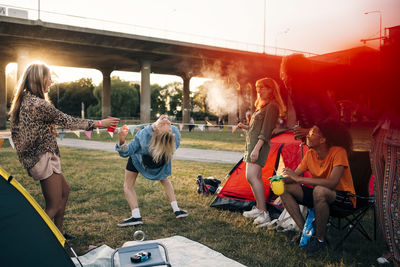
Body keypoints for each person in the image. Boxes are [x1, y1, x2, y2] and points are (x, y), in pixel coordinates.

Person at [9, 61, 119, 238]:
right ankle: (33, 238)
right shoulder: (38, 105)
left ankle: (58, 233)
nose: (51, 81)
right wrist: (100, 123)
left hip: (41, 157)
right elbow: (68, 121)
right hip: (42, 158)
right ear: (40, 79)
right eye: (49, 77)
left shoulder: (25, 101)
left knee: (64, 191)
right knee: (53, 205)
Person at [280, 119, 355, 253]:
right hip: (319, 197)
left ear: (322, 140)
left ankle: (319, 240)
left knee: (319, 191)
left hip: (344, 199)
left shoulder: (339, 152)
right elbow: (294, 176)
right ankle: (305, 232)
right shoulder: (310, 154)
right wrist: (279, 180)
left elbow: (332, 182)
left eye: (312, 132)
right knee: (285, 188)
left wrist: (298, 178)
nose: (307, 135)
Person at [115, 115, 188, 227]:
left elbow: (127, 151)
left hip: (139, 160)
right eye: (168, 124)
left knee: (128, 186)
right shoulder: (174, 134)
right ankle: (176, 210)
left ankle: (136, 216)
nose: (166, 120)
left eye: (165, 124)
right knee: (165, 181)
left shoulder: (143, 135)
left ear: (156, 129)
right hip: (160, 162)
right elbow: (170, 147)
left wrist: (121, 140)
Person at [236, 77, 286, 225]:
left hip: (259, 146)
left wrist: (256, 149)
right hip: (251, 145)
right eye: (258, 87)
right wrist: (244, 127)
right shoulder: (262, 107)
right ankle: (259, 208)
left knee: (252, 176)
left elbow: (266, 132)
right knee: (253, 176)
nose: (259, 90)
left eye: (263, 87)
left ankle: (264, 212)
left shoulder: (272, 106)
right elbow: (255, 128)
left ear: (271, 90)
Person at [369, 41, 400, 266]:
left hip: (396, 142)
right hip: (380, 136)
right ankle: (391, 248)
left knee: (391, 200)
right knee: (381, 198)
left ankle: (397, 253)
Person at [280, 54, 340, 141]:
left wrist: (311, 130)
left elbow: (335, 115)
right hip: (310, 141)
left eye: (285, 73)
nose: (283, 77)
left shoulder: (315, 89)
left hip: (325, 141)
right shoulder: (293, 92)